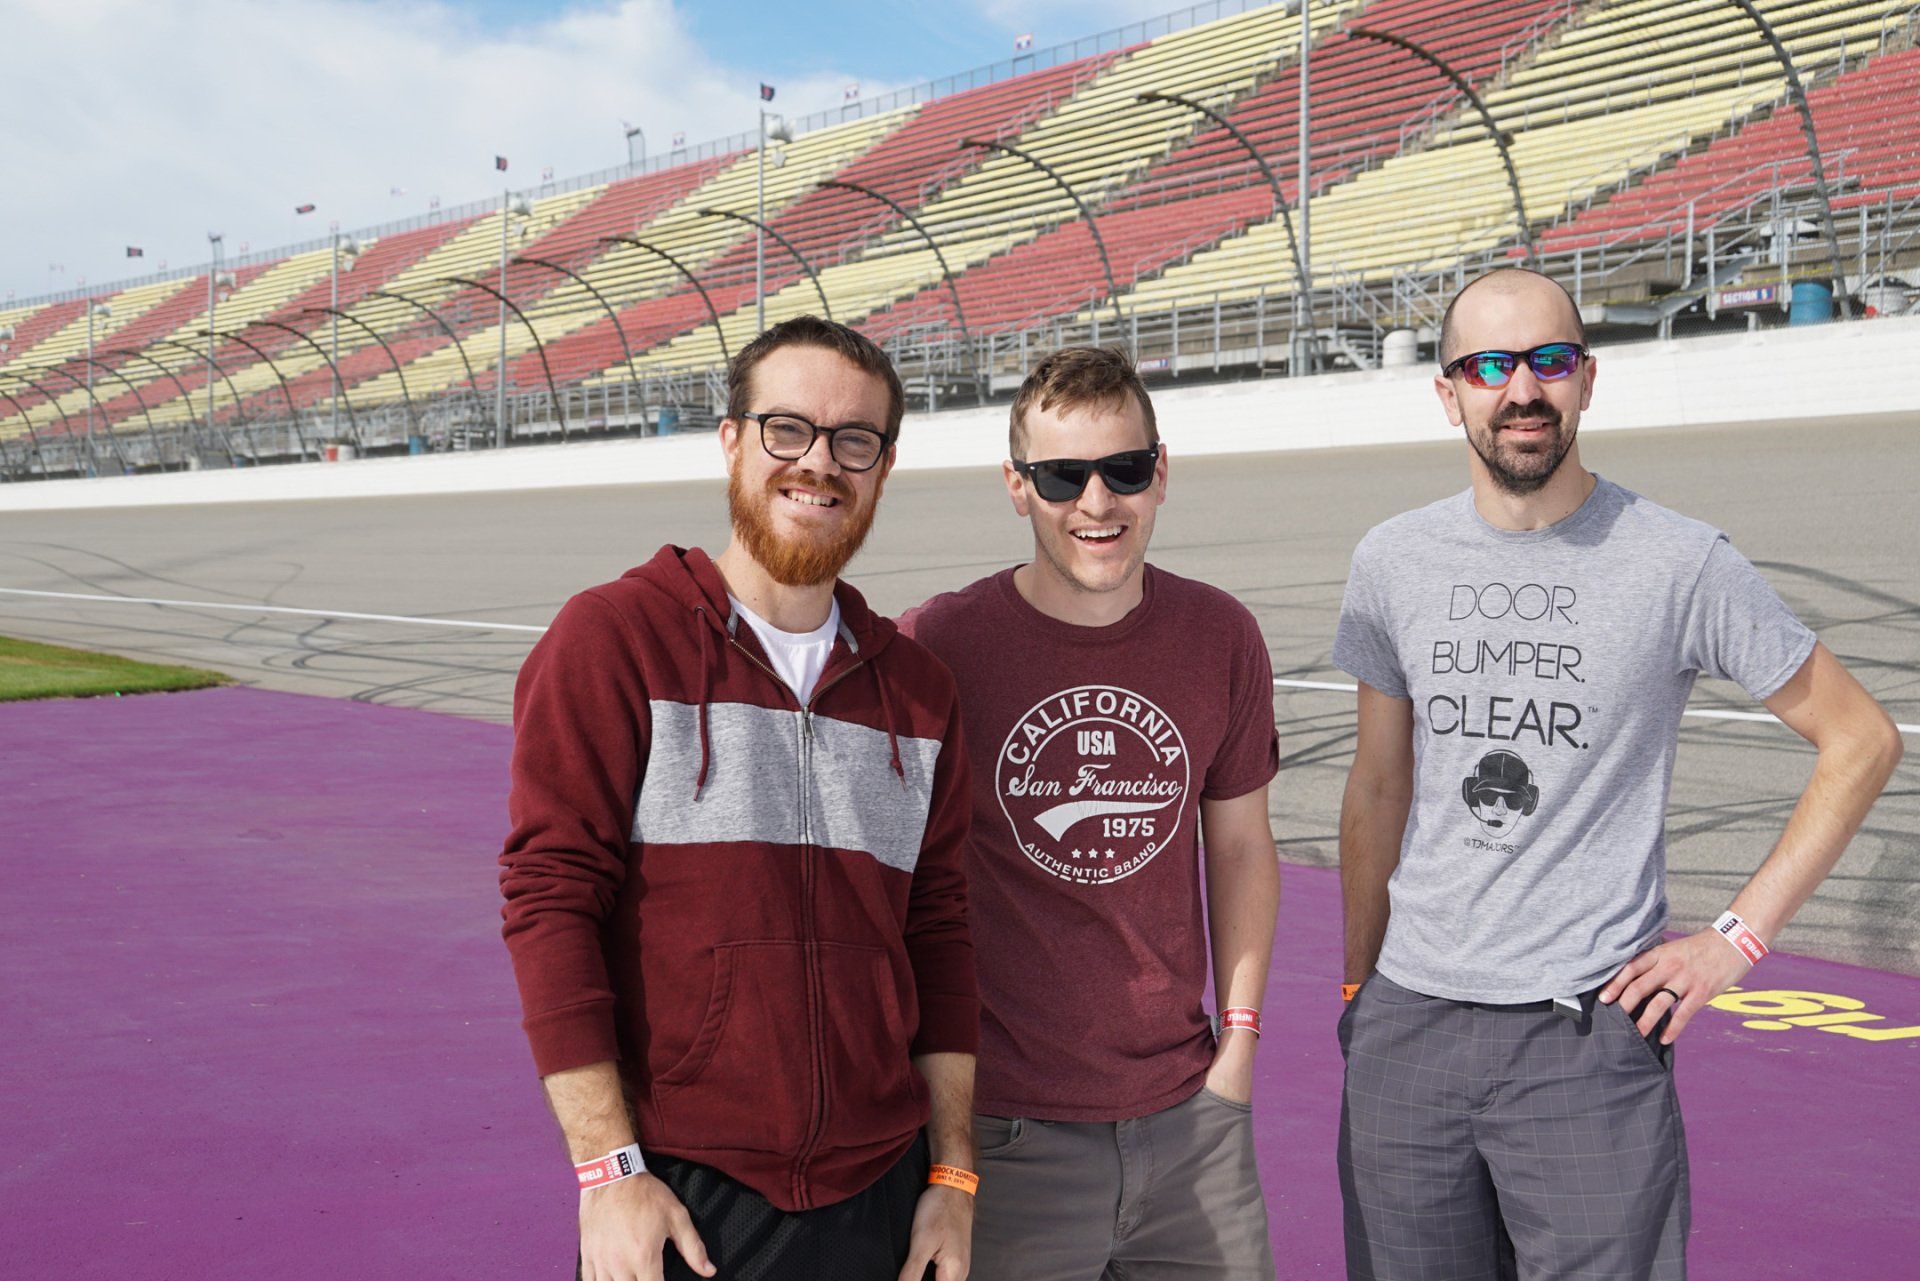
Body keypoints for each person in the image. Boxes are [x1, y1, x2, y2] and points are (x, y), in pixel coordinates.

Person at [1332, 267, 1904, 1279]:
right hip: (1408, 1035)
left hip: (1583, 1044)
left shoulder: (1680, 561)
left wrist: (1733, 942)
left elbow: (1860, 739)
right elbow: (1379, 786)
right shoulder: (1392, 561)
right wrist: (1359, 985)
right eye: (1490, 365)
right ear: (1448, 391)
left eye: (1549, 361)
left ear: (1588, 380)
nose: (1522, 390)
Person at [499, 316, 981, 1281]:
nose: (819, 463)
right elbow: (551, 902)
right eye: (787, 429)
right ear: (731, 439)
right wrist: (608, 1171)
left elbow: (941, 934)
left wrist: (953, 1174)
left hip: (878, 1197)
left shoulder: (920, 693)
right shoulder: (612, 639)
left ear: (883, 467)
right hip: (682, 1195)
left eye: (856, 440)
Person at [901, 346, 1282, 1280]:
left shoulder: (1220, 635)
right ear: (1016, 486)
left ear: (1162, 473)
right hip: (1006, 1135)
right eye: (1063, 475)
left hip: (1193, 1119)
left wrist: (1236, 1051)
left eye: (1125, 470)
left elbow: (1238, 846)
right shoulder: (940, 646)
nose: (1097, 503)